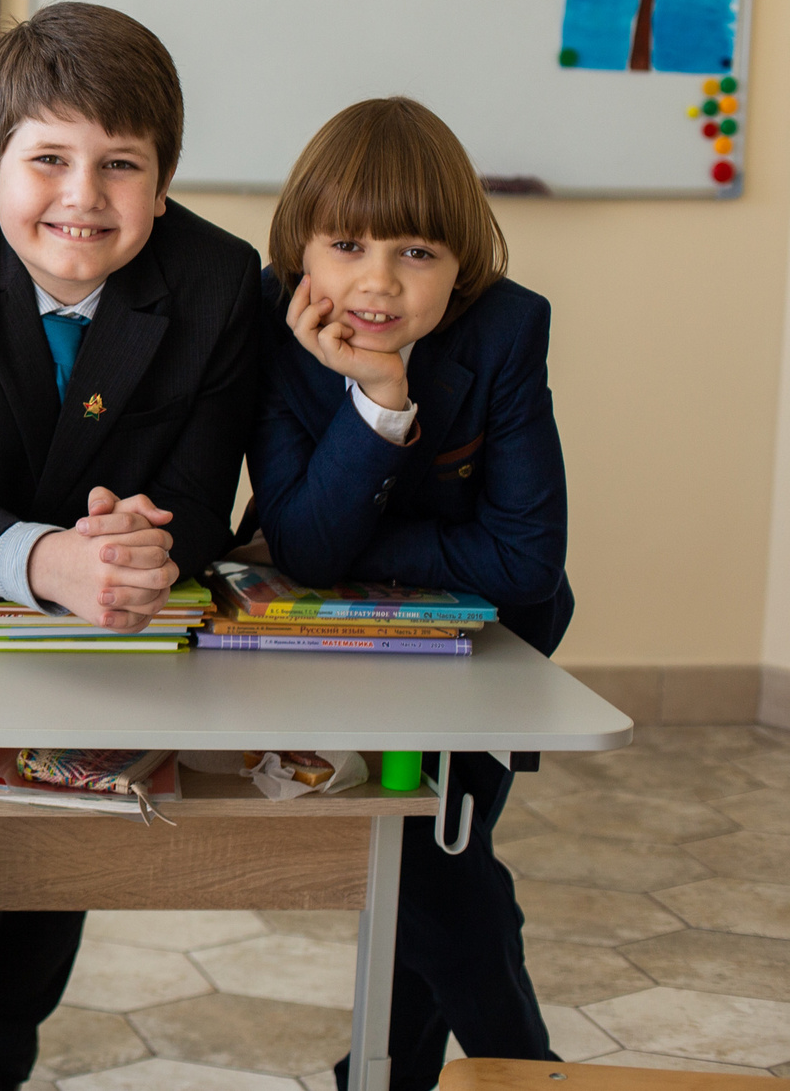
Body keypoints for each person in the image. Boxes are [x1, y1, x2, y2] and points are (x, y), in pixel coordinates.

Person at [0, 1, 263, 1091]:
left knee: (31, 951)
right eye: (49, 159)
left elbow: (195, 493)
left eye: (119, 164)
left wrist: (138, 546)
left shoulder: (223, 283)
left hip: (104, 658)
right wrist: (54, 562)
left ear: (163, 180)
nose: (83, 196)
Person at [240, 95, 568, 1091]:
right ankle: (481, 1072)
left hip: (487, 652)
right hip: (329, 648)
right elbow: (301, 548)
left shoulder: (507, 329)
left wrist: (358, 538)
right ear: (301, 248)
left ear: (461, 261)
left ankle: (467, 1072)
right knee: (434, 866)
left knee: (431, 865)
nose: (377, 281)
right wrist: (377, 395)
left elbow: (524, 560)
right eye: (346, 243)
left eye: (417, 251)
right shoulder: (263, 320)